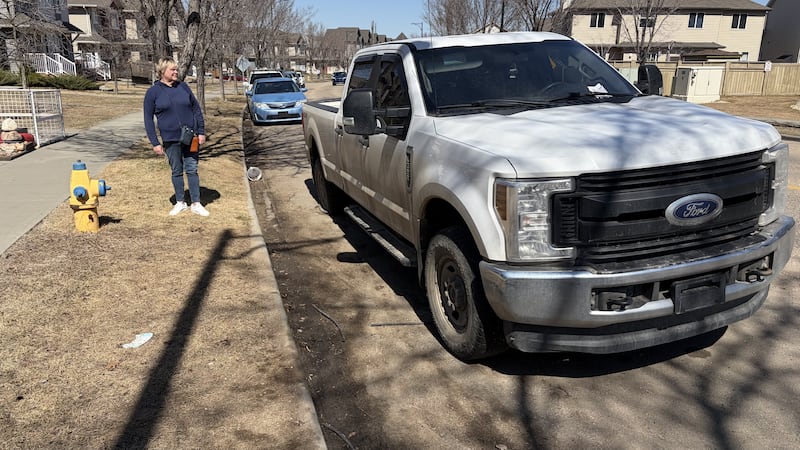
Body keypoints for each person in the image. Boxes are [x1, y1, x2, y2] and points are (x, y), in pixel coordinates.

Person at [144, 57, 209, 216]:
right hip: (170, 139)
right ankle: (180, 202)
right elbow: (148, 119)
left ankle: (196, 203)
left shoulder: (184, 87)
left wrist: (201, 131)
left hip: (191, 137)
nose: (176, 72)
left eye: (176, 69)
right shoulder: (153, 92)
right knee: (177, 170)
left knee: (192, 169)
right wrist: (155, 142)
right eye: (172, 69)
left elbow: (196, 110)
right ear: (162, 71)